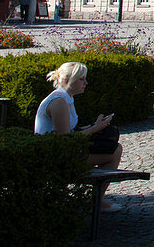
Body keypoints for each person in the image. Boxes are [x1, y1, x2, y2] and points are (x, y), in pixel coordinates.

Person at [34, 62, 122, 213]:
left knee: (114, 147)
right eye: (81, 79)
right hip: (54, 157)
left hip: (60, 150)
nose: (86, 83)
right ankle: (97, 201)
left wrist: (94, 126)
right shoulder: (59, 102)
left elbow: (69, 132)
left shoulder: (65, 98)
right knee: (115, 151)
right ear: (68, 80)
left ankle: (96, 199)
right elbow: (65, 138)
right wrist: (95, 128)